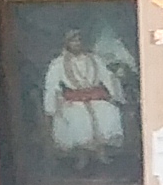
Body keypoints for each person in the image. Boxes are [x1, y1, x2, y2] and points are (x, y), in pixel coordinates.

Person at [40, 28, 132, 169]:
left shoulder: (95, 59)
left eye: (79, 40)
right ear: (67, 43)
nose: (77, 43)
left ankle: (101, 152)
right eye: (73, 41)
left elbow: (107, 77)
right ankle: (82, 156)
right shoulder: (58, 63)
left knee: (108, 110)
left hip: (95, 97)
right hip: (73, 100)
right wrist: (51, 107)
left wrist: (115, 93)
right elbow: (51, 85)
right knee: (76, 116)